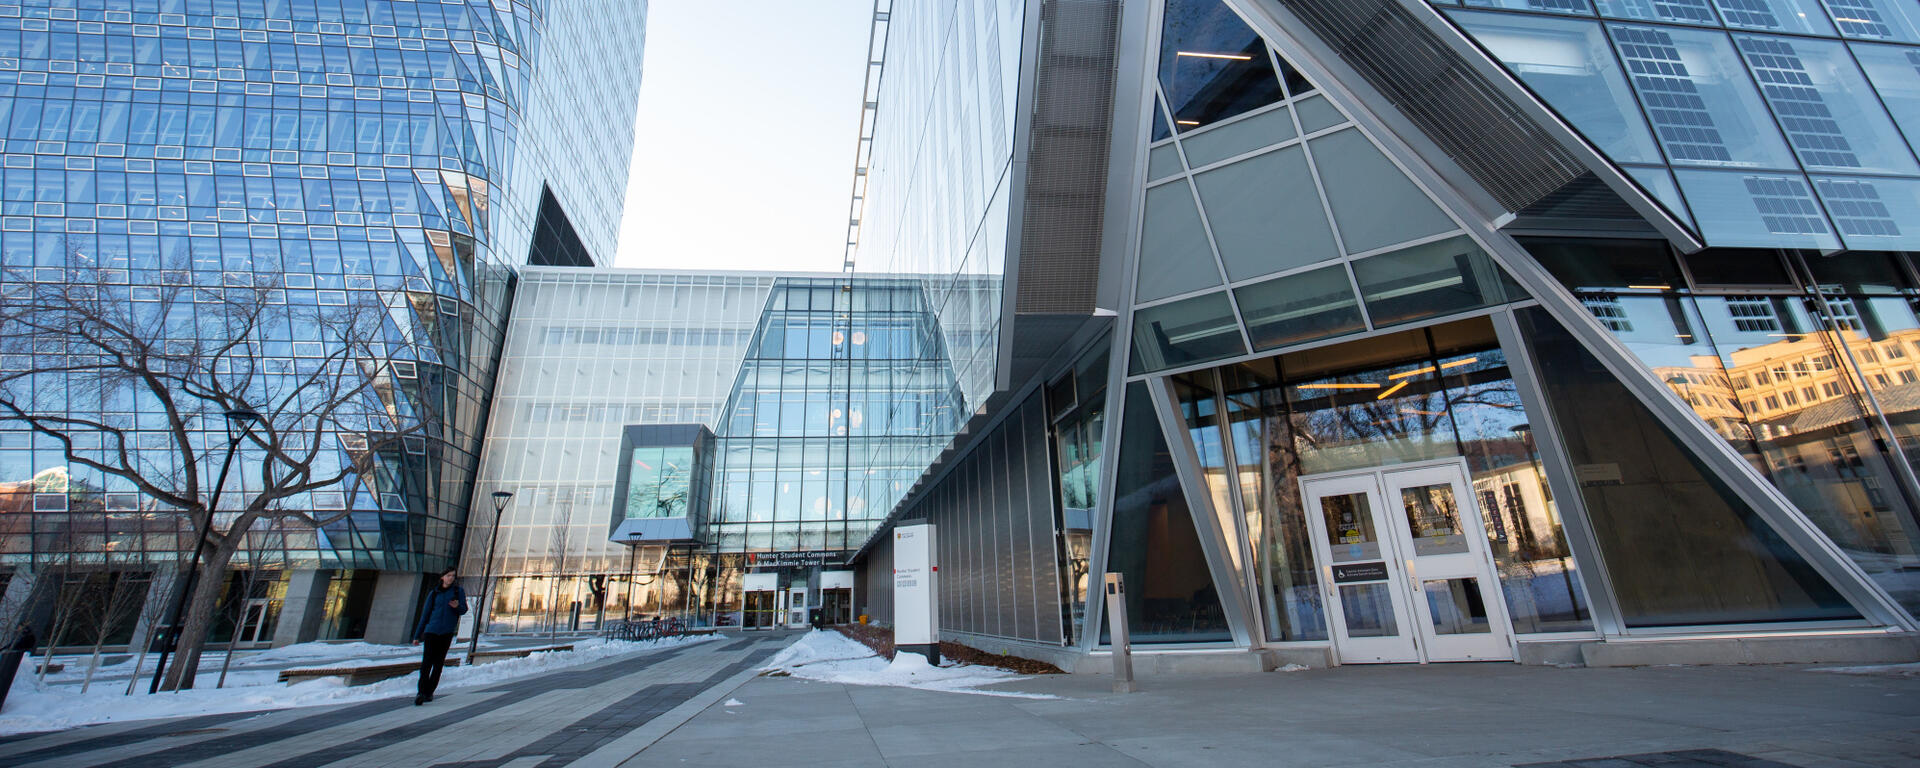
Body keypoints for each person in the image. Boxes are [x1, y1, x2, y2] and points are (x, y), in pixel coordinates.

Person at [411, 567, 467, 706]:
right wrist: (417, 635)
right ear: (442, 577)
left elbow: (463, 610)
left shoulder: (457, 592)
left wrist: (457, 607)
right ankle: (421, 691)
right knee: (426, 662)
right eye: (448, 575)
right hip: (432, 631)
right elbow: (425, 614)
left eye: (453, 576)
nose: (451, 578)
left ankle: (429, 692)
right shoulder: (434, 594)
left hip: (446, 632)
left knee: (438, 663)